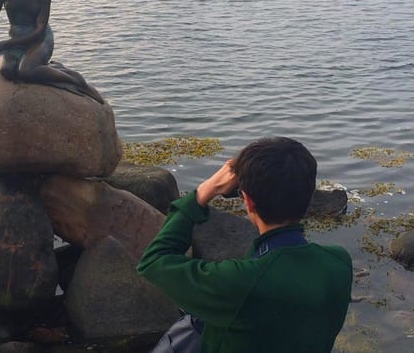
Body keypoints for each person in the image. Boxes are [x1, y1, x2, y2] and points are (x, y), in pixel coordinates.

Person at [137, 137, 353, 353]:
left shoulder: (239, 282)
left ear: (248, 201)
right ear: (308, 195)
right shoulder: (338, 263)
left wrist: (203, 193)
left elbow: (154, 261)